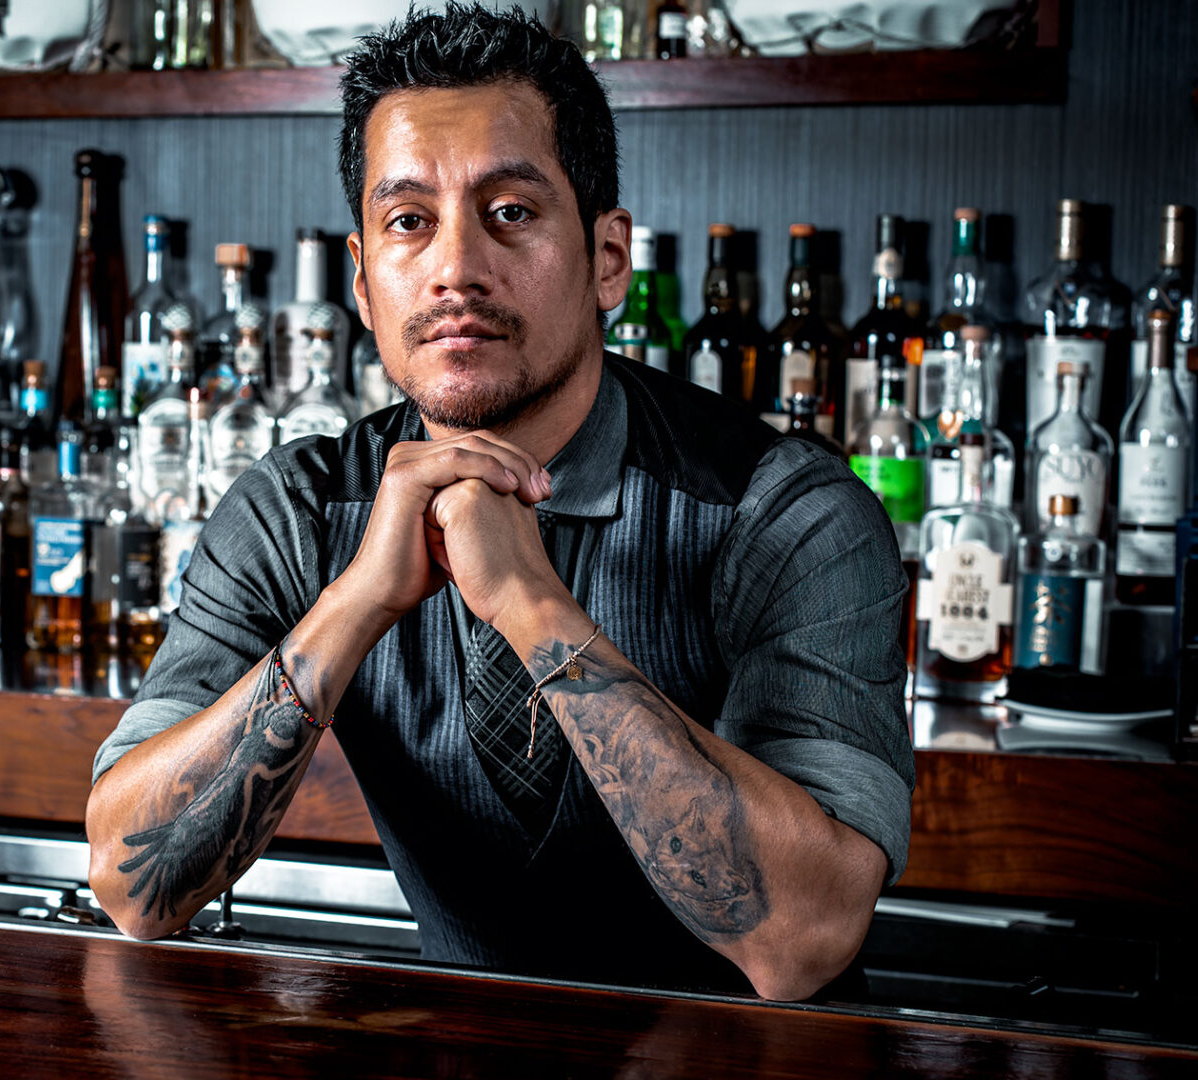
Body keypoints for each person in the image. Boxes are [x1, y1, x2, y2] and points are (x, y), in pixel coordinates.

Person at [85, 2, 913, 1002]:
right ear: (362, 281)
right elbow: (132, 888)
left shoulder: (785, 513)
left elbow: (807, 941)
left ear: (610, 258)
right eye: (409, 221)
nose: (455, 269)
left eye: (511, 211)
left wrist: (531, 604)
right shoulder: (299, 511)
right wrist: (354, 604)